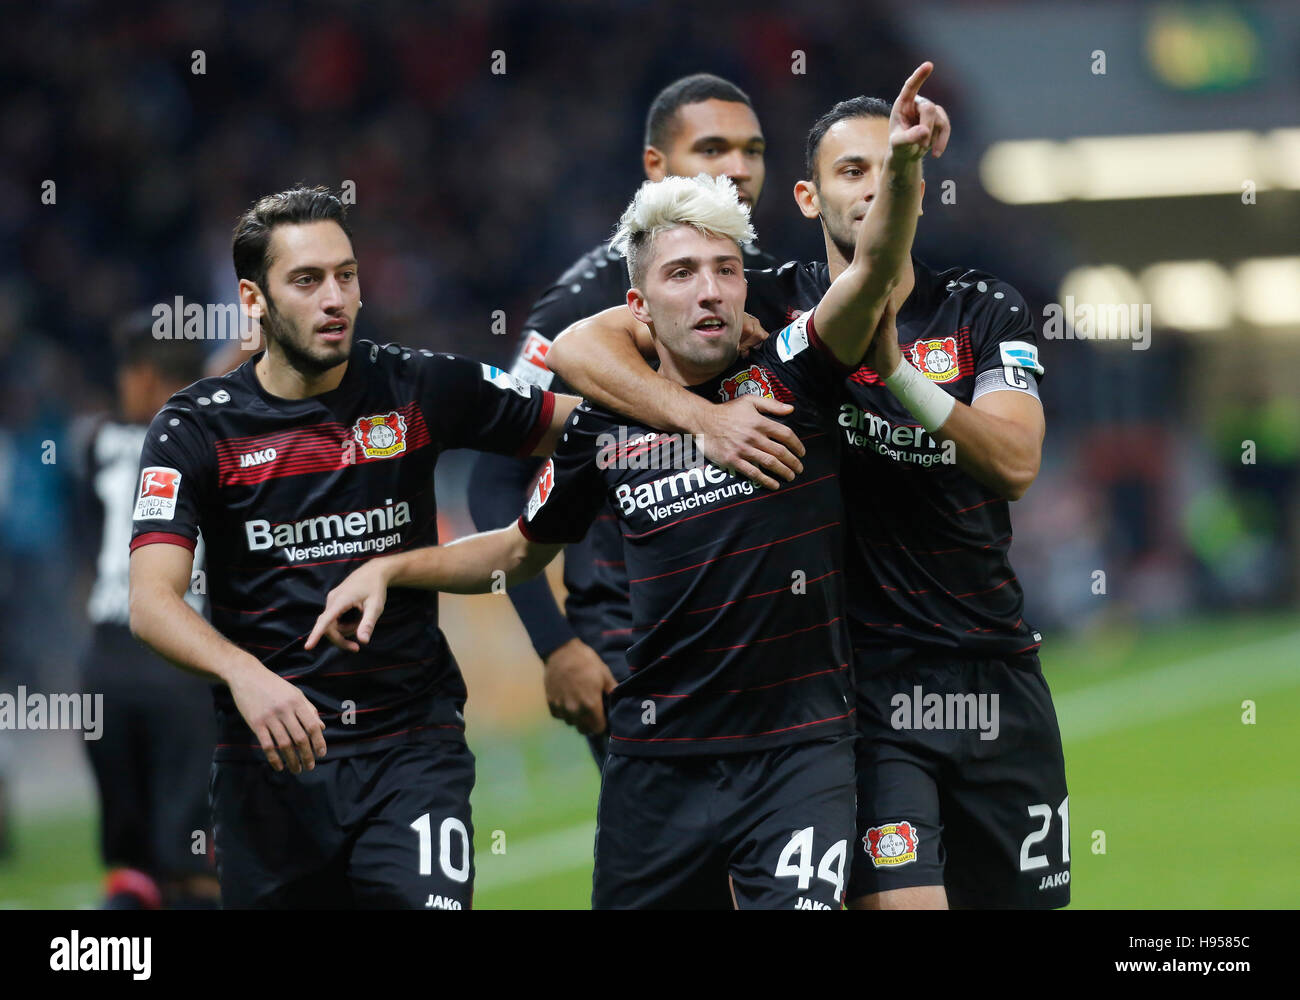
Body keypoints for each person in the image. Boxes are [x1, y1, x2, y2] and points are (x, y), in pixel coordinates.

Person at [308, 64, 937, 908]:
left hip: (797, 750)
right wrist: (393, 568)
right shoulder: (605, 426)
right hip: (654, 754)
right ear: (638, 304)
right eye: (683, 275)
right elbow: (517, 546)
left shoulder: (795, 371)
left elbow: (869, 273)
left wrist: (900, 169)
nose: (710, 289)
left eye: (725, 270)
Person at [546, 74, 1069, 910]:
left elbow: (1012, 464)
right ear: (808, 194)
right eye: (849, 171)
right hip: (865, 690)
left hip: (996, 666)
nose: (869, 187)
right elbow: (579, 347)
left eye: (887, 171)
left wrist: (898, 375)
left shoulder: (979, 310)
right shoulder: (768, 301)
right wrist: (700, 419)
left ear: (918, 186)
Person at [127, 185, 578, 909]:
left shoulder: (418, 385)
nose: (334, 297)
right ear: (253, 300)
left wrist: (691, 401)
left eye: (346, 275)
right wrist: (246, 675)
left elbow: (580, 427)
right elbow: (150, 602)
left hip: (411, 749)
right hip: (267, 771)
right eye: (306, 281)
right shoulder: (194, 429)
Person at [467, 73, 787, 764]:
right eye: (712, 148)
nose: (737, 168)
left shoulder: (768, 280)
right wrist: (556, 646)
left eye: (753, 150)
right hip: (634, 643)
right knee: (689, 872)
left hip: (765, 636)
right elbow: (494, 480)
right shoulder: (579, 303)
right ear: (656, 167)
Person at [70, 315, 219, 908]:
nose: (120, 386)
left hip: (103, 665)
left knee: (132, 869)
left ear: (149, 376)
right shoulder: (213, 437)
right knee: (192, 869)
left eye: (127, 373)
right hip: (177, 657)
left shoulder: (99, 444)